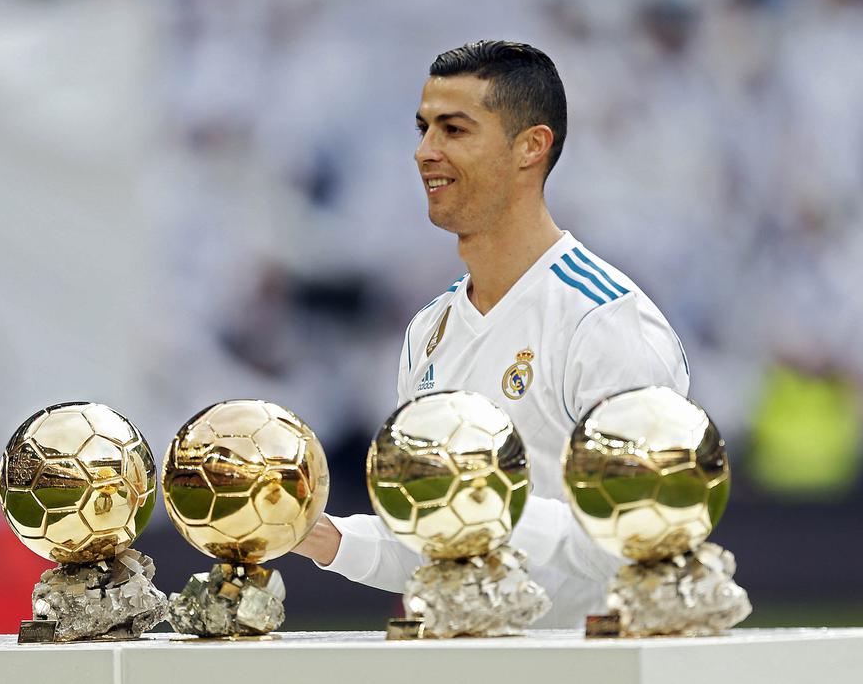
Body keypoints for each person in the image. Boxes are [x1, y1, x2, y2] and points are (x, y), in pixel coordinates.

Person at [291, 40, 690, 627]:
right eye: (424, 129)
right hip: (465, 659)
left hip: (580, 663)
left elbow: (641, 537)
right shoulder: (429, 330)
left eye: (454, 130)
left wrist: (479, 502)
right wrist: (324, 537)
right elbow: (431, 546)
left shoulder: (605, 320)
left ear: (531, 146)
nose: (425, 151)